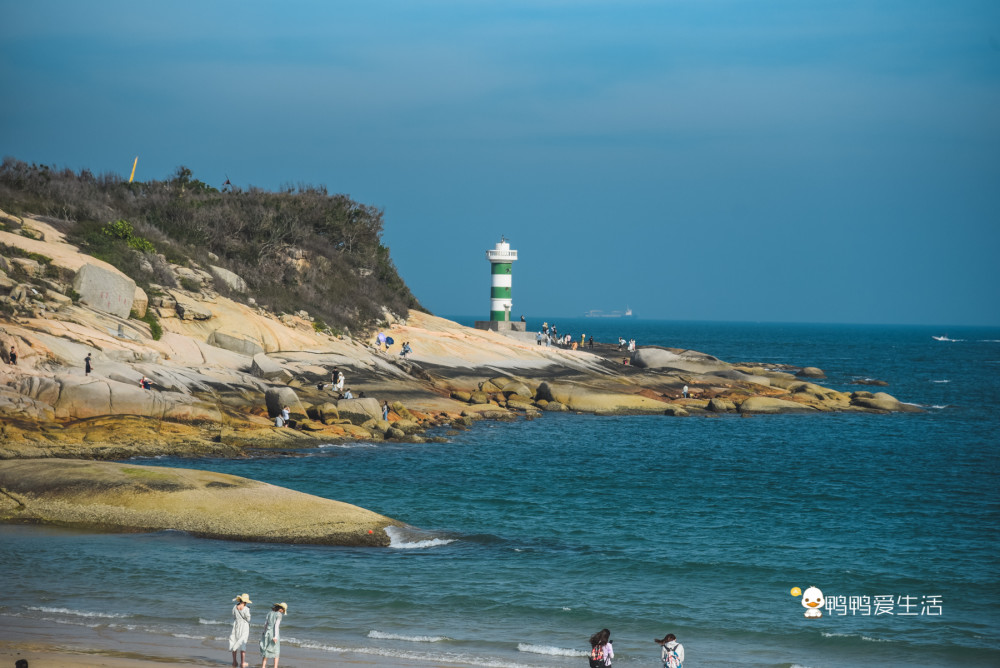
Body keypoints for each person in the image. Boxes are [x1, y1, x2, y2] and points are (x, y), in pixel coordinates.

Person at [259, 602, 287, 668]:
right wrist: (276, 637)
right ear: (281, 609)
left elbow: (266, 624)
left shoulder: (270, 613)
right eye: (283, 610)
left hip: (267, 633)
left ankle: (263, 666)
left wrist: (264, 632)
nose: (283, 612)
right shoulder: (279, 615)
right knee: (276, 652)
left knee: (266, 651)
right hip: (273, 634)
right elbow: (276, 626)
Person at [228, 593, 252, 668]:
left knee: (234, 642)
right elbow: (248, 619)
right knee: (242, 643)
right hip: (244, 626)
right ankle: (242, 662)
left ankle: (234, 662)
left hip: (236, 625)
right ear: (245, 601)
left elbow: (233, 616)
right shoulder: (246, 609)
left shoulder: (235, 607)